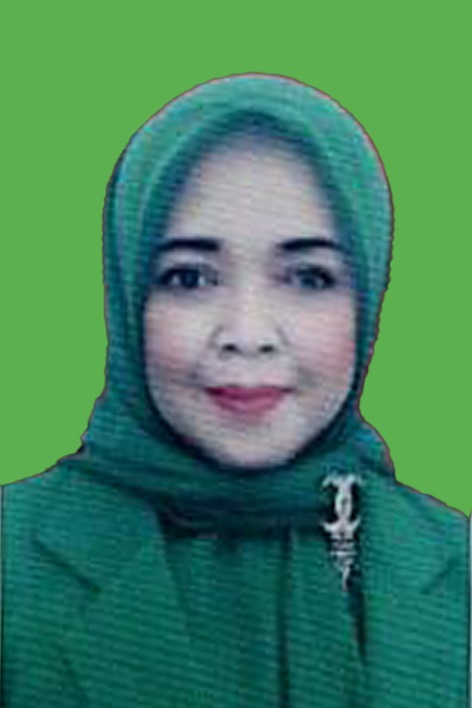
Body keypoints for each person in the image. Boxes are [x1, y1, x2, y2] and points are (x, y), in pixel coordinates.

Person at [2, 74, 469, 707]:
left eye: (308, 277)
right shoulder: (11, 563)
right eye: (190, 278)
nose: (247, 335)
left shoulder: (457, 566)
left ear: (368, 297)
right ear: (128, 296)